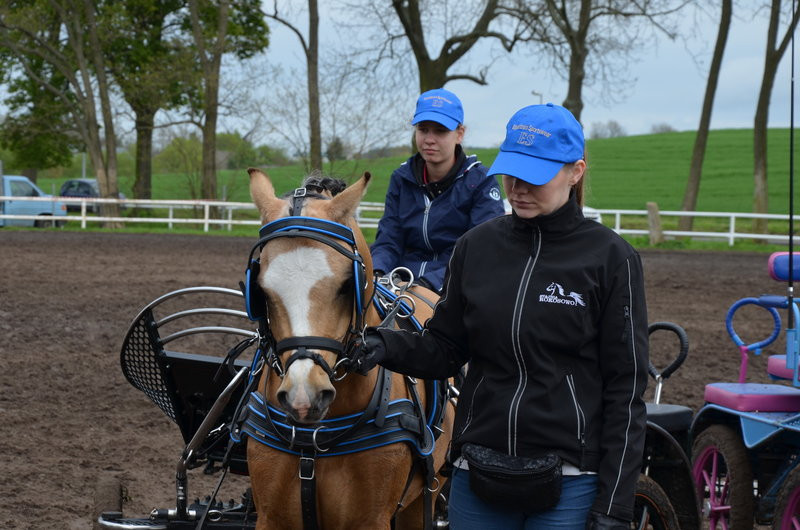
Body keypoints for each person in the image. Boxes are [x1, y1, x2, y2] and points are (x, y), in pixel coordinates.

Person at [353, 103, 649, 529]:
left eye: (535, 175)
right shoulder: (475, 247)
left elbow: (627, 387)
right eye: (512, 172)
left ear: (576, 170)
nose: (518, 187)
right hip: (478, 475)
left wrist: (615, 505)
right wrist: (383, 344)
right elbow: (446, 348)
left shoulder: (611, 259)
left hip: (570, 482)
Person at [370, 88, 505, 291]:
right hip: (399, 284)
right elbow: (389, 238)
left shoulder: (481, 182)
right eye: (423, 129)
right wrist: (377, 272)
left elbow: (479, 250)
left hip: (454, 287)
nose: (429, 139)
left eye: (440, 131)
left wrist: (427, 285)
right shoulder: (401, 179)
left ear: (460, 134)